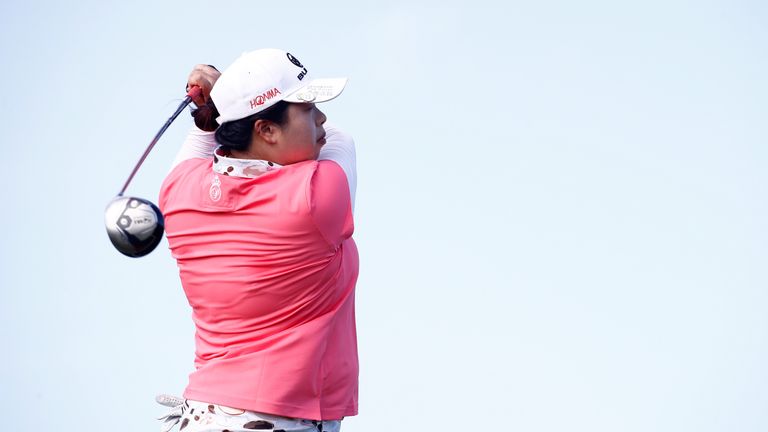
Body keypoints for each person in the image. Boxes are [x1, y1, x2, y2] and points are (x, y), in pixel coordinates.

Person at [156, 48, 359, 432]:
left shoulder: (179, 191)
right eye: (307, 108)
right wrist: (223, 100)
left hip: (202, 415)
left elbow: (200, 139)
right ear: (266, 130)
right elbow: (340, 139)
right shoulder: (318, 196)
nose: (321, 117)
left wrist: (222, 105)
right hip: (280, 421)